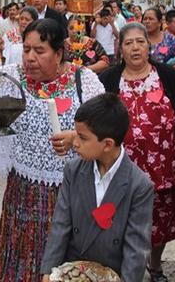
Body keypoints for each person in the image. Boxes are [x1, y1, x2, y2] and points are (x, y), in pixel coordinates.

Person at [0, 19, 105, 282]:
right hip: (23, 192)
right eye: (26, 49)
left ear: (59, 53)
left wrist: (76, 138)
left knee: (65, 264)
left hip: (71, 194)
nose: (30, 57)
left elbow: (107, 128)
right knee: (20, 257)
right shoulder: (10, 77)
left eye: (39, 51)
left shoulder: (82, 80)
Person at [99, 23, 175, 282]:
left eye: (140, 42)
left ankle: (155, 265)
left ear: (148, 45)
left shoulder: (169, 77)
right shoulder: (108, 79)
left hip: (163, 170)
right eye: (129, 43)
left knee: (158, 222)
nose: (135, 47)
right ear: (121, 49)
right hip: (119, 170)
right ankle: (119, 268)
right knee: (117, 219)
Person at [40, 93, 154, 282]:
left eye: (83, 138)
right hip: (73, 273)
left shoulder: (139, 185)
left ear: (107, 144)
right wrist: (48, 271)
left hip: (114, 273)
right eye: (76, 134)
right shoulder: (74, 170)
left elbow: (136, 248)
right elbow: (61, 225)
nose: (75, 142)